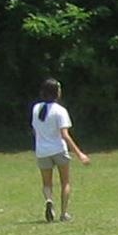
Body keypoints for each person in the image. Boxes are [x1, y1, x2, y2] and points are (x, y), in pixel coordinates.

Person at [30, 78, 91, 222]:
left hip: (42, 151)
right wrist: (80, 154)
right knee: (65, 182)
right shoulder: (60, 111)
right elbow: (65, 135)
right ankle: (64, 213)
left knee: (46, 183)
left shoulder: (36, 108)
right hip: (58, 150)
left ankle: (49, 200)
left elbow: (35, 130)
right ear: (56, 92)